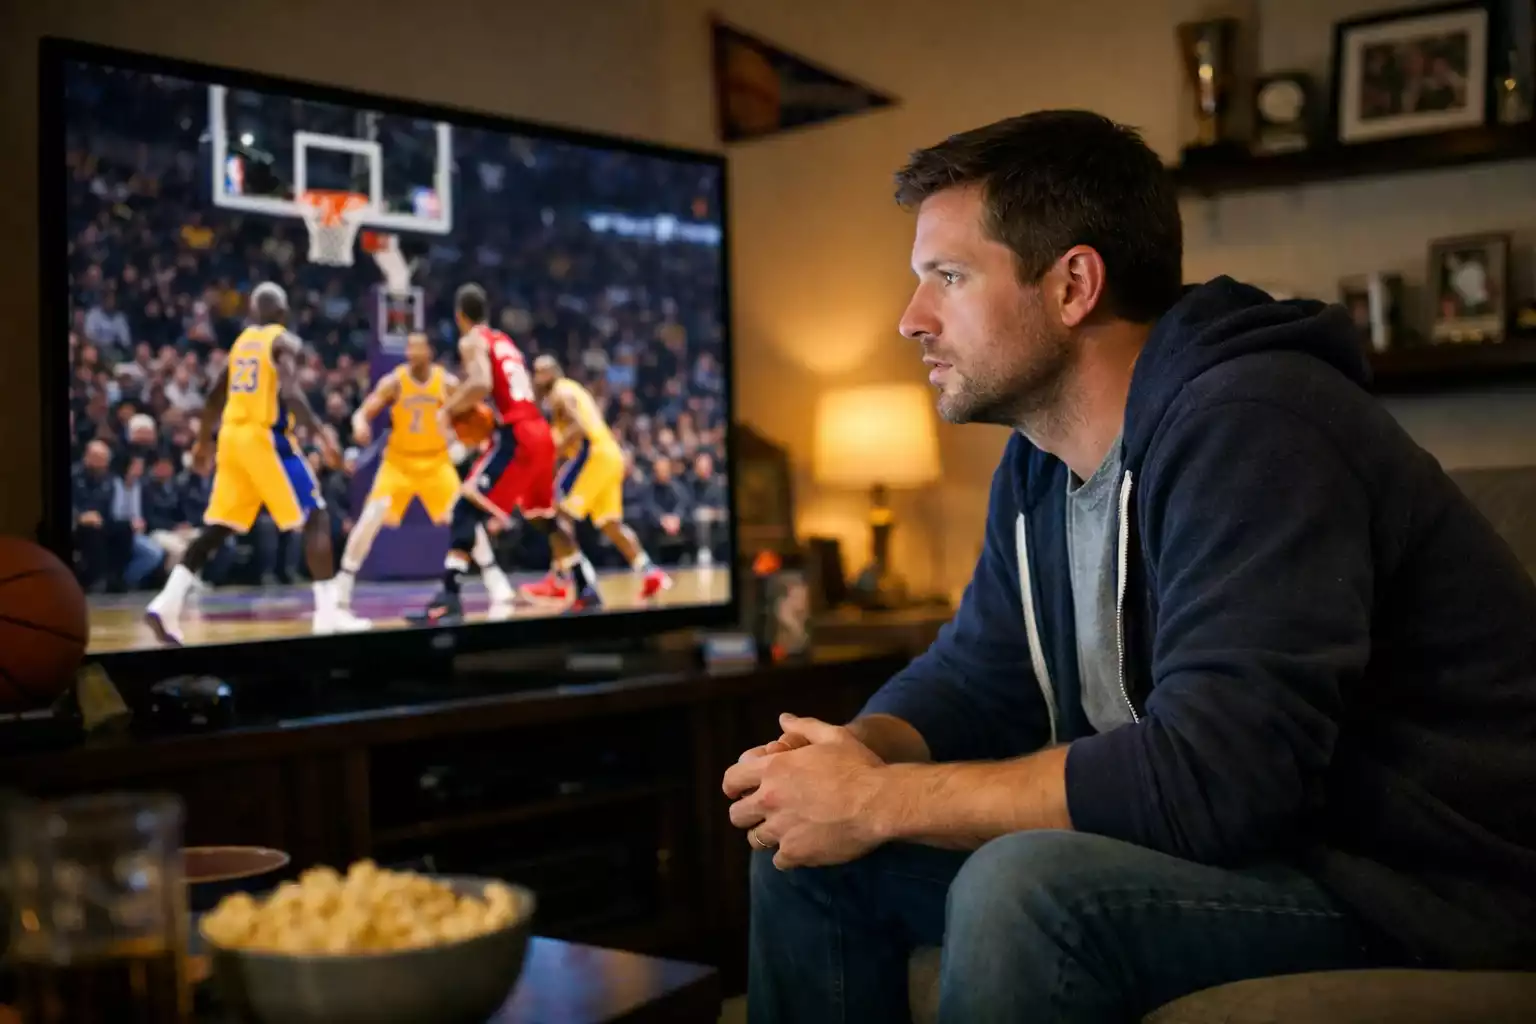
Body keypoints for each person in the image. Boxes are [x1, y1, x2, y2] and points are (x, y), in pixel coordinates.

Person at [723, 111, 1536, 1024]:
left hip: (1412, 882)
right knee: (802, 853)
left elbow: (1220, 774)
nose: (911, 319)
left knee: (1021, 885)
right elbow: (978, 674)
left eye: (947, 278)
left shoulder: (1260, 426)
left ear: (1073, 284)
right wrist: (846, 762)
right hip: (1259, 850)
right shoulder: (1041, 461)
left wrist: (881, 802)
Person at [146, 282, 371, 643]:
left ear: (253, 312)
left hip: (232, 441)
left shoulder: (241, 344)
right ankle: (328, 615)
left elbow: (214, 395)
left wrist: (204, 442)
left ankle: (167, 602)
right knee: (316, 515)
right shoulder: (284, 341)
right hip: (266, 438)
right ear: (282, 313)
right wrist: (326, 438)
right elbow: (293, 393)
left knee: (219, 527)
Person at [415, 284, 601, 624]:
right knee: (542, 519)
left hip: (517, 435)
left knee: (464, 508)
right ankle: (585, 586)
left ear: (460, 317)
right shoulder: (507, 343)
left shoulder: (472, 339)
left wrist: (448, 411)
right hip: (539, 432)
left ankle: (449, 595)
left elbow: (482, 383)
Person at [337, 332, 514, 612]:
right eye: (409, 346)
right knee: (372, 515)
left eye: (417, 346)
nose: (411, 352)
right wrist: (359, 424)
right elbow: (364, 411)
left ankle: (494, 578)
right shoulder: (395, 381)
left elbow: (473, 413)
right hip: (399, 462)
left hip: (436, 462)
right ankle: (344, 582)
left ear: (430, 352)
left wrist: (468, 442)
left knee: (464, 519)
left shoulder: (446, 382)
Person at [522, 355, 672, 603]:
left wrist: (551, 449)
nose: (534, 377)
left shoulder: (560, 392)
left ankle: (560, 580)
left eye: (538, 372)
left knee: (557, 513)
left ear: (550, 373)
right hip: (610, 454)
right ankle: (649, 571)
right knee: (610, 525)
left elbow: (579, 427)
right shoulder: (572, 389)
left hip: (594, 455)